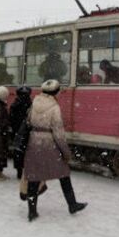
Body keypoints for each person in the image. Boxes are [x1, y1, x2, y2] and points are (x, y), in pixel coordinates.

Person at [23, 79, 87, 222]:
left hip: (34, 142)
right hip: (49, 143)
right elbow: (58, 133)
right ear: (56, 92)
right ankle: (72, 204)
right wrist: (66, 152)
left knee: (34, 177)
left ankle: (31, 211)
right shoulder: (55, 107)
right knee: (64, 175)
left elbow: (28, 122)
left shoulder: (34, 102)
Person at [10, 86, 32, 179]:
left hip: (17, 131)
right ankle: (26, 170)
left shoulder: (15, 104)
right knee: (27, 151)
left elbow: (11, 118)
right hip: (27, 131)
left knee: (18, 151)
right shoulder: (30, 104)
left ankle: (19, 171)